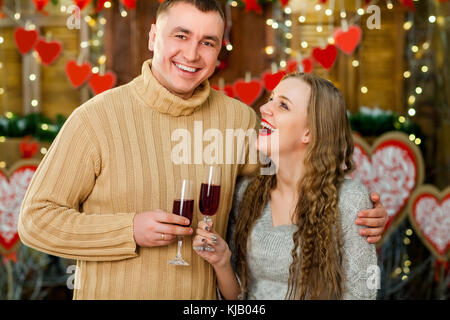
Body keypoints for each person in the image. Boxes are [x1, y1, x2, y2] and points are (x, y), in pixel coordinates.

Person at [18, 0, 386, 300]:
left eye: (208, 42)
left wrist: (356, 215)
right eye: (181, 35)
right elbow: (35, 220)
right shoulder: (95, 120)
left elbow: (294, 177)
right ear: (152, 37)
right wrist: (127, 230)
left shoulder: (239, 120)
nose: (192, 54)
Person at [193, 73, 380, 300]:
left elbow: (362, 294)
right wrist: (221, 262)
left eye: (283, 105)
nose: (264, 108)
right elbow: (238, 298)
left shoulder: (349, 200)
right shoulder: (247, 193)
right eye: (271, 99)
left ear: (309, 132)